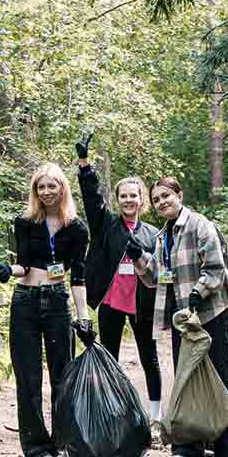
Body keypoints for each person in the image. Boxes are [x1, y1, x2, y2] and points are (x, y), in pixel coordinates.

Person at [129, 177, 228, 457]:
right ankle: (189, 451)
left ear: (179, 194)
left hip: (209, 315)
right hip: (183, 320)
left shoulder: (199, 225)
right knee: (186, 382)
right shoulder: (163, 236)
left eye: (166, 196)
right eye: (156, 200)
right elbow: (154, 277)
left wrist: (198, 292)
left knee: (220, 379)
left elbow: (216, 268)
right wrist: (137, 256)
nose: (162, 202)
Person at [0, 163, 95, 457]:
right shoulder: (24, 223)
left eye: (52, 186)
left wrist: (83, 316)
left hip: (57, 301)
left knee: (62, 376)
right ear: (35, 191)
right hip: (25, 300)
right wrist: (7, 271)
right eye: (41, 187)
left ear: (63, 189)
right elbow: (23, 264)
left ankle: (64, 444)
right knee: (28, 377)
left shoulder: (77, 228)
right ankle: (37, 448)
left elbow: (78, 277)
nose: (46, 192)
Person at [74, 131, 162, 420]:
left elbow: (159, 273)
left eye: (133, 196)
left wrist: (142, 258)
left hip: (142, 304)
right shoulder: (107, 224)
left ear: (141, 200)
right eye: (123, 196)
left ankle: (156, 416)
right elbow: (92, 199)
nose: (128, 200)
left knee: (149, 358)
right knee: (109, 356)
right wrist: (85, 165)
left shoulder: (151, 233)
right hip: (111, 301)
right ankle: (112, 412)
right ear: (118, 199)